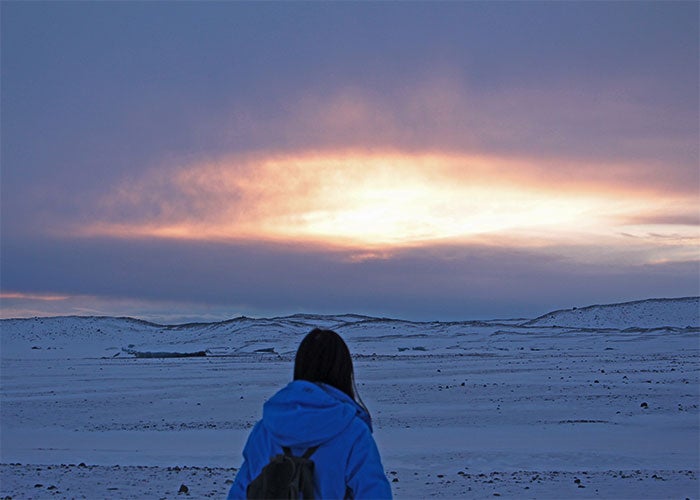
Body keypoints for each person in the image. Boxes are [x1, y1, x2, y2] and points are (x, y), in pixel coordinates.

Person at [227, 328, 392, 499]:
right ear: (343, 371)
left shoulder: (265, 429)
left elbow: (240, 492)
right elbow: (374, 493)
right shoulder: (353, 432)